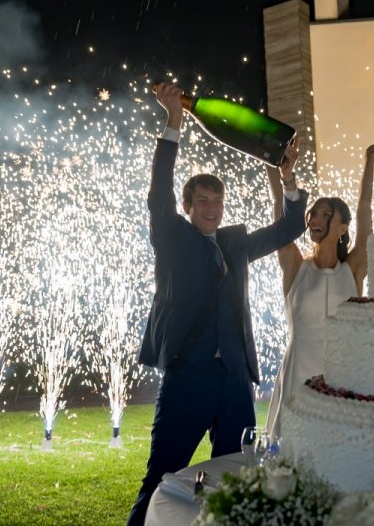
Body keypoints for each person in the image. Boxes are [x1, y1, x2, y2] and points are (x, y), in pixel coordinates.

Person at [127, 83, 308, 526]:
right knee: (161, 477)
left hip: (234, 380)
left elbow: (289, 227)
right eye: (202, 201)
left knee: (237, 479)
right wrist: (174, 121)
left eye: (217, 200)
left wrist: (288, 178)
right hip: (187, 376)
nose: (211, 208)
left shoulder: (237, 242)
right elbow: (158, 193)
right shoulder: (171, 238)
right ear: (188, 207)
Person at [265, 140, 374, 438]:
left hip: (343, 371)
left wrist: (370, 163)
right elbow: (281, 215)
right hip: (298, 371)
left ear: (342, 228)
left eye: (326, 214)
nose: (315, 218)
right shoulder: (295, 266)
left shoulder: (351, 270)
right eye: (313, 213)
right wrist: (280, 171)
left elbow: (365, 211)